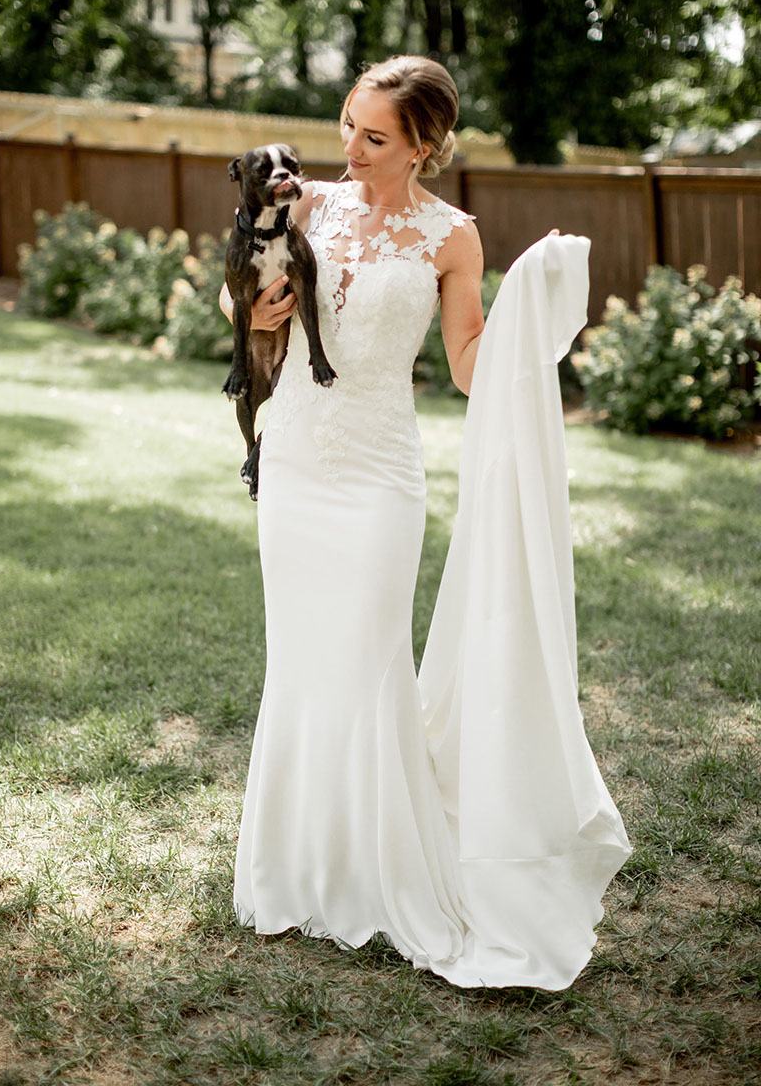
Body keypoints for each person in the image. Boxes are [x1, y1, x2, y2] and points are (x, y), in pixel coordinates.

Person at [219, 55, 629, 989]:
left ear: (425, 146)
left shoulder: (452, 237)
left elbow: (465, 365)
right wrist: (256, 306)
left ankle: (376, 871)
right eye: (346, 128)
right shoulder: (307, 204)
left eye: (373, 138)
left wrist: (527, 317)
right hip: (293, 456)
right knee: (301, 658)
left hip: (379, 474)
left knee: (367, 661)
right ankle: (300, 864)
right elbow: (235, 286)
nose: (350, 151)